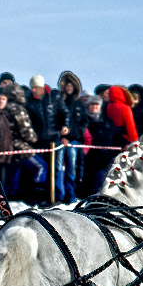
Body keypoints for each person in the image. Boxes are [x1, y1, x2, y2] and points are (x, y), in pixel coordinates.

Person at [57, 71, 87, 202]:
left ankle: (70, 195)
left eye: (71, 85)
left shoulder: (79, 103)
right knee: (57, 168)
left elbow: (84, 122)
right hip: (59, 140)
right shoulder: (58, 101)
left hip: (73, 141)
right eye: (67, 85)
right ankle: (59, 195)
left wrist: (76, 133)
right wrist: (60, 134)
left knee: (72, 169)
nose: (69, 88)